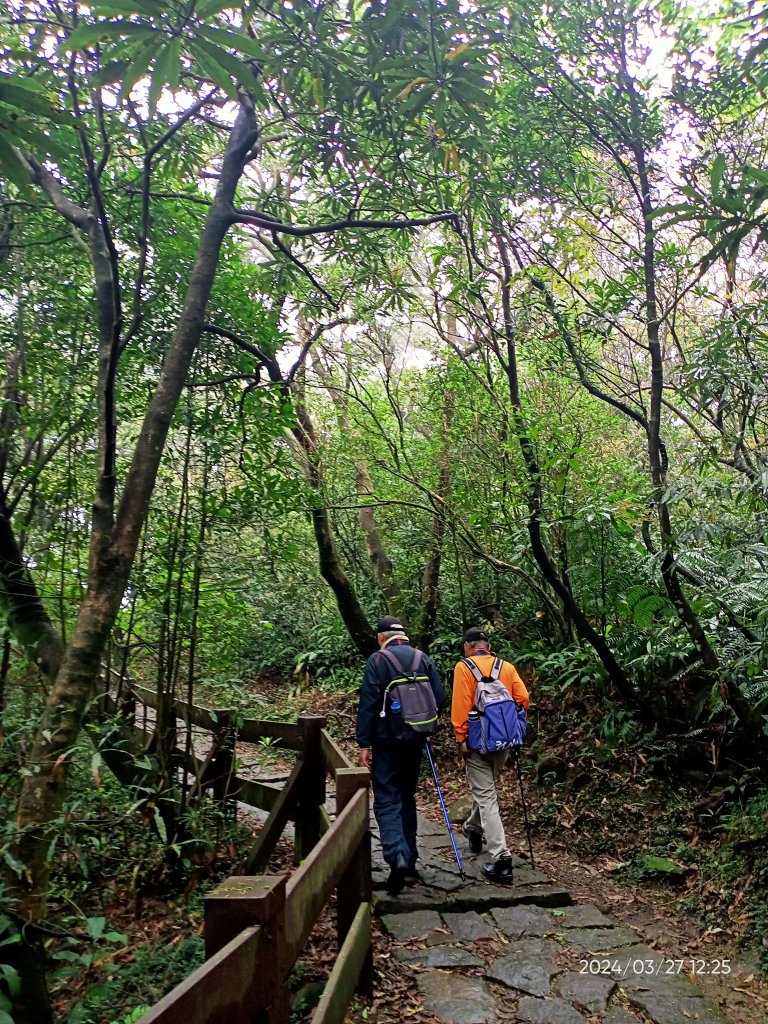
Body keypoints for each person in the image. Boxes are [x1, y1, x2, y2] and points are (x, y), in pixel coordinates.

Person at [356, 615, 446, 895]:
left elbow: (369, 703)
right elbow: (440, 699)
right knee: (407, 796)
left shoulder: (378, 661)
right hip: (416, 740)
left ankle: (398, 855)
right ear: (403, 636)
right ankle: (411, 858)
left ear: (381, 637)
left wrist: (364, 743)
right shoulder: (423, 658)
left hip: (386, 742)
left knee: (386, 797)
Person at [451, 626, 529, 884]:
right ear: (487, 644)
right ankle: (472, 828)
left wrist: (460, 737)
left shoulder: (465, 668)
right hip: (503, 743)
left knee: (486, 798)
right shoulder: (505, 667)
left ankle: (502, 859)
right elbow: (523, 698)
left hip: (477, 745)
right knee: (486, 792)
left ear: (467, 646)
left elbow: (461, 704)